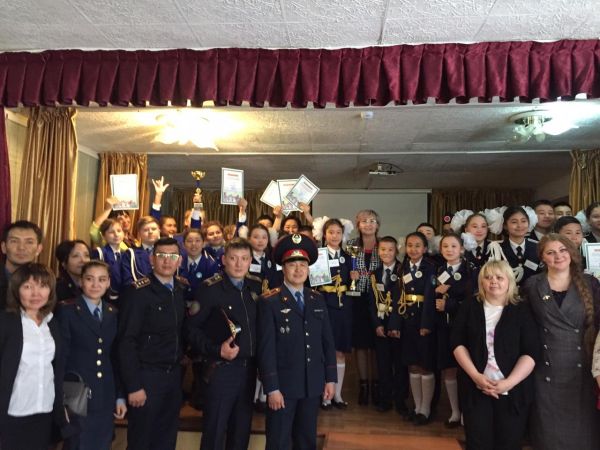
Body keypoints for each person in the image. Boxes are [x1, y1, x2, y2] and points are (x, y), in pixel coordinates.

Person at [258, 233, 337, 450]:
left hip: (312, 385)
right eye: (292, 264)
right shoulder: (269, 301)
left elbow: (327, 342)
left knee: (306, 442)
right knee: (279, 442)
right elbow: (266, 349)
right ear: (283, 268)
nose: (298, 269)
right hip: (283, 388)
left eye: (303, 264)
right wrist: (272, 388)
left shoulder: (317, 299)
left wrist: (330, 379)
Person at [522, 234, 600, 450]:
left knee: (583, 433)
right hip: (545, 368)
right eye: (551, 252)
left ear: (571, 253)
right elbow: (525, 327)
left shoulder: (590, 283)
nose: (558, 256)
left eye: (563, 250)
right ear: (542, 257)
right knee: (548, 433)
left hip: (582, 367)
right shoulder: (532, 285)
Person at [451, 260, 539, 450]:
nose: (493, 281)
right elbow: (457, 343)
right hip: (476, 388)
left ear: (509, 281)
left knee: (509, 443)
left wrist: (508, 383)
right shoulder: (470, 306)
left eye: (499, 277)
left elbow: (531, 352)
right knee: (477, 443)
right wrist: (476, 376)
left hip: (513, 391)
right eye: (488, 277)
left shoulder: (522, 309)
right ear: (481, 282)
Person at [186, 238, 262, 450]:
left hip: (248, 371)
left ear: (250, 261)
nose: (239, 264)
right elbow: (191, 329)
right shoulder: (210, 289)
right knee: (215, 432)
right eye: (233, 258)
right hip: (221, 371)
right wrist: (216, 350)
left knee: (240, 434)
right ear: (224, 260)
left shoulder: (256, 286)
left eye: (244, 259)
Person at [117, 237, 186, 450]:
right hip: (146, 377)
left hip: (173, 377)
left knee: (166, 440)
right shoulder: (138, 291)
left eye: (172, 256)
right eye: (161, 255)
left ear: (179, 261)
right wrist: (134, 385)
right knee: (141, 440)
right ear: (151, 259)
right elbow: (126, 341)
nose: (167, 261)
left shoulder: (181, 289)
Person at [0, 263, 72, 449]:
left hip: (44, 411)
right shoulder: (6, 322)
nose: (36, 293)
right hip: (12, 411)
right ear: (16, 290)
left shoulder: (52, 323)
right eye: (28, 286)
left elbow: (56, 368)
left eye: (42, 286)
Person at [57, 261, 126, 450]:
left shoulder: (112, 313)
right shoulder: (67, 310)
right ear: (81, 281)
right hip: (75, 391)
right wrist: (59, 399)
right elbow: (61, 357)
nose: (96, 285)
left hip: (105, 392)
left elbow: (115, 358)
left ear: (108, 282)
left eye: (101, 279)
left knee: (102, 442)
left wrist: (119, 396)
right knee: (78, 442)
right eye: (90, 279)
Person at [434, 233, 475, 428]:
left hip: (464, 327)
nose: (449, 250)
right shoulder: (439, 269)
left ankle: (467, 412)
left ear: (462, 249)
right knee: (448, 369)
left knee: (465, 369)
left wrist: (449, 305)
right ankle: (455, 412)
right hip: (443, 327)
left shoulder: (471, 270)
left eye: (453, 246)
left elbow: (473, 302)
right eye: (445, 246)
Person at [367, 236, 408, 414]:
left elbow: (402, 300)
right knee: (383, 365)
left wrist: (394, 325)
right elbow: (372, 303)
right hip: (381, 326)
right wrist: (377, 325)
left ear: (396, 251)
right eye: (383, 249)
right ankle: (385, 400)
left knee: (399, 366)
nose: (386, 253)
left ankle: (400, 401)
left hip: (398, 325)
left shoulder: (403, 270)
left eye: (390, 249)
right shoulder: (375, 273)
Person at [315, 218, 354, 410]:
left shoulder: (349, 256)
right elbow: (315, 284)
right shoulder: (318, 255)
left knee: (340, 351)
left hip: (343, 307)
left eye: (338, 232)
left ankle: (337, 394)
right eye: (331, 232)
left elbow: (353, 286)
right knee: (324, 351)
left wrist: (354, 278)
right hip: (324, 305)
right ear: (324, 234)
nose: (335, 236)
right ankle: (325, 395)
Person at [399, 232, 436, 425]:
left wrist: (426, 323)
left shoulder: (430, 267)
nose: (413, 249)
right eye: (410, 245)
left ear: (425, 248)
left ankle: (425, 409)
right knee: (412, 364)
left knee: (425, 365)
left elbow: (430, 297)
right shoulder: (402, 267)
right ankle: (416, 406)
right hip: (407, 322)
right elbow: (398, 296)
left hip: (423, 321)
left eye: (417, 245)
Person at [347, 209, 381, 406]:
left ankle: (376, 385)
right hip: (357, 298)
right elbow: (342, 268)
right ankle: (363, 385)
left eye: (372, 221)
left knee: (376, 345)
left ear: (377, 225)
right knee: (360, 344)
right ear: (357, 225)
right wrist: (349, 276)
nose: (368, 224)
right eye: (364, 221)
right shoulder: (350, 245)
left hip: (379, 299)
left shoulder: (384, 245)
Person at [0, 220, 43, 309]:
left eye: (29, 242)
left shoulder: (46, 283)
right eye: (14, 241)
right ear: (3, 247)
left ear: (38, 249)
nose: (21, 247)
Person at [499, 206, 541, 286]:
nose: (519, 225)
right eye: (514, 222)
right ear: (505, 225)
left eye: (523, 221)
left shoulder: (537, 247)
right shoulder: (497, 248)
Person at [117, 215, 161, 290]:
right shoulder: (131, 255)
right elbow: (128, 282)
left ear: (159, 231)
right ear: (139, 233)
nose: (150, 232)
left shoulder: (169, 252)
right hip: (141, 293)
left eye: (154, 229)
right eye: (146, 230)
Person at [91, 218, 125, 302]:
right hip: (105, 298)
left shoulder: (126, 254)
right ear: (103, 236)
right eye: (111, 232)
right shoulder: (100, 253)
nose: (116, 234)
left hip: (124, 298)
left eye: (119, 231)